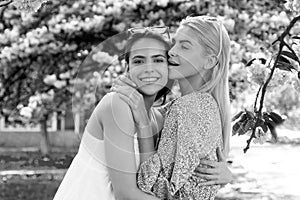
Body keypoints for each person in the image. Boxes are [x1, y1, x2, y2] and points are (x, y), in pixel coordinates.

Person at [112, 15, 232, 199]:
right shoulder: (191, 105)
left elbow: (151, 186)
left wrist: (143, 123)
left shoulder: (191, 106)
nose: (171, 52)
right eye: (173, 43)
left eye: (184, 46)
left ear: (209, 61)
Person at [53, 31, 172, 200]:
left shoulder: (158, 118)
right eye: (138, 61)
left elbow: (150, 183)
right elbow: (126, 194)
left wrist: (222, 172)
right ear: (127, 69)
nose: (149, 68)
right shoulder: (116, 105)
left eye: (158, 60)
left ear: (169, 68)